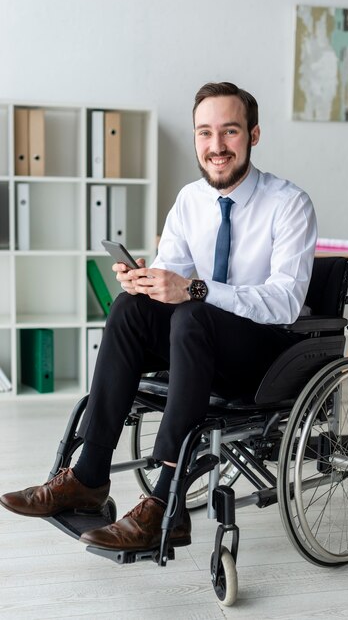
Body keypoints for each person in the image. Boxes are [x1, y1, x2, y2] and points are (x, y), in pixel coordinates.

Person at [0, 81, 317, 552]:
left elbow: (285, 301)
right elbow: (173, 281)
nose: (216, 146)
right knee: (130, 309)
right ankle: (88, 475)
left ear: (253, 135)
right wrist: (145, 282)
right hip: (197, 342)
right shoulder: (190, 201)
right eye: (204, 133)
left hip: (264, 356)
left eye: (229, 132)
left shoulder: (289, 204)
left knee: (194, 315)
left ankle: (166, 499)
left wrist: (193, 289)